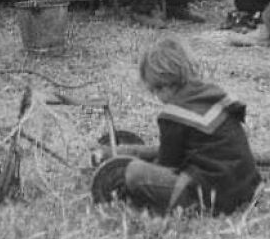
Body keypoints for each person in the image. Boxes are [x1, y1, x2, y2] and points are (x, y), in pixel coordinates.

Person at [103, 35, 260, 215]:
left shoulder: (173, 115)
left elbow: (167, 165)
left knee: (134, 173)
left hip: (211, 197)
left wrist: (133, 162)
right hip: (247, 189)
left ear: (166, 84)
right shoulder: (210, 94)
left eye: (157, 90)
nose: (158, 97)